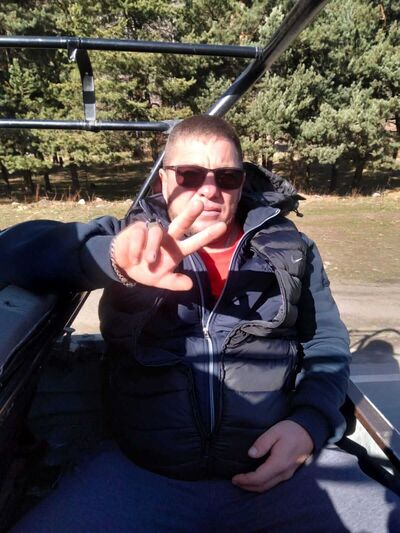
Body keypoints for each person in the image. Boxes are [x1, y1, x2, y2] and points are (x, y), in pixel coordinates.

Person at [1, 115, 399, 532]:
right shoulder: (132, 238)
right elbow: (12, 250)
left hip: (281, 474)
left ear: (241, 183)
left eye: (226, 177)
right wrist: (113, 259)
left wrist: (309, 424)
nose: (210, 190)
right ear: (163, 180)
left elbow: (325, 343)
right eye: (190, 175)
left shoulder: (292, 248)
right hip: (142, 474)